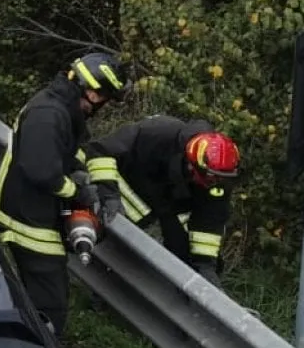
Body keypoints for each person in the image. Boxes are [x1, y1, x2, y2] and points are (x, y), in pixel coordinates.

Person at [0, 51, 128, 337]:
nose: (101, 106)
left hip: (34, 215)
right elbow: (42, 172)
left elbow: (68, 153)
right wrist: (79, 192)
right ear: (93, 92)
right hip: (26, 222)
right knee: (51, 310)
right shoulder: (49, 115)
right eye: (105, 98)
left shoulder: (61, 109)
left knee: (35, 302)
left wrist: (94, 182)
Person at [84, 116, 238, 286]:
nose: (214, 181)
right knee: (115, 242)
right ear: (192, 163)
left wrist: (205, 265)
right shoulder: (158, 134)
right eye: (211, 176)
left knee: (183, 253)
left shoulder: (219, 179)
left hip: (165, 206)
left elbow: (209, 223)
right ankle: (100, 289)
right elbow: (100, 150)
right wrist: (109, 195)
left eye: (220, 178)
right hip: (122, 189)